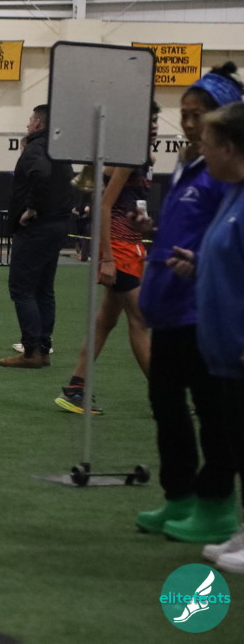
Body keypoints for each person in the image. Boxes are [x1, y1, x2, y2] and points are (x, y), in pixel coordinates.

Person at [134, 64, 243, 544]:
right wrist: (155, 230)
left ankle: (215, 503)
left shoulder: (225, 172)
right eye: (185, 113)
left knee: (213, 414)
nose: (189, 122)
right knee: (166, 406)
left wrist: (199, 265)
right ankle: (178, 495)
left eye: (199, 114)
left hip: (200, 310)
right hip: (168, 306)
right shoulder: (189, 165)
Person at [164, 101, 244, 574]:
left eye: (210, 144)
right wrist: (198, 265)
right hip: (224, 352)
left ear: (229, 148)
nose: (202, 151)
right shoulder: (233, 196)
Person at [54, 102, 159, 408]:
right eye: (148, 120)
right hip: (119, 248)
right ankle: (164, 394)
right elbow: (103, 205)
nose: (154, 126)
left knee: (105, 321)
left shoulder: (145, 156)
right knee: (139, 319)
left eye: (156, 120)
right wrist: (108, 258)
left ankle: (75, 388)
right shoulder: (126, 159)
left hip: (130, 246)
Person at [0, 104, 75, 368]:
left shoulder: (35, 148)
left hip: (37, 228)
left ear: (39, 124)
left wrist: (31, 208)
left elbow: (40, 174)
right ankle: (43, 348)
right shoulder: (60, 151)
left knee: (21, 288)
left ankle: (30, 351)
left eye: (31, 120)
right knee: (44, 289)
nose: (28, 124)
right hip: (57, 225)